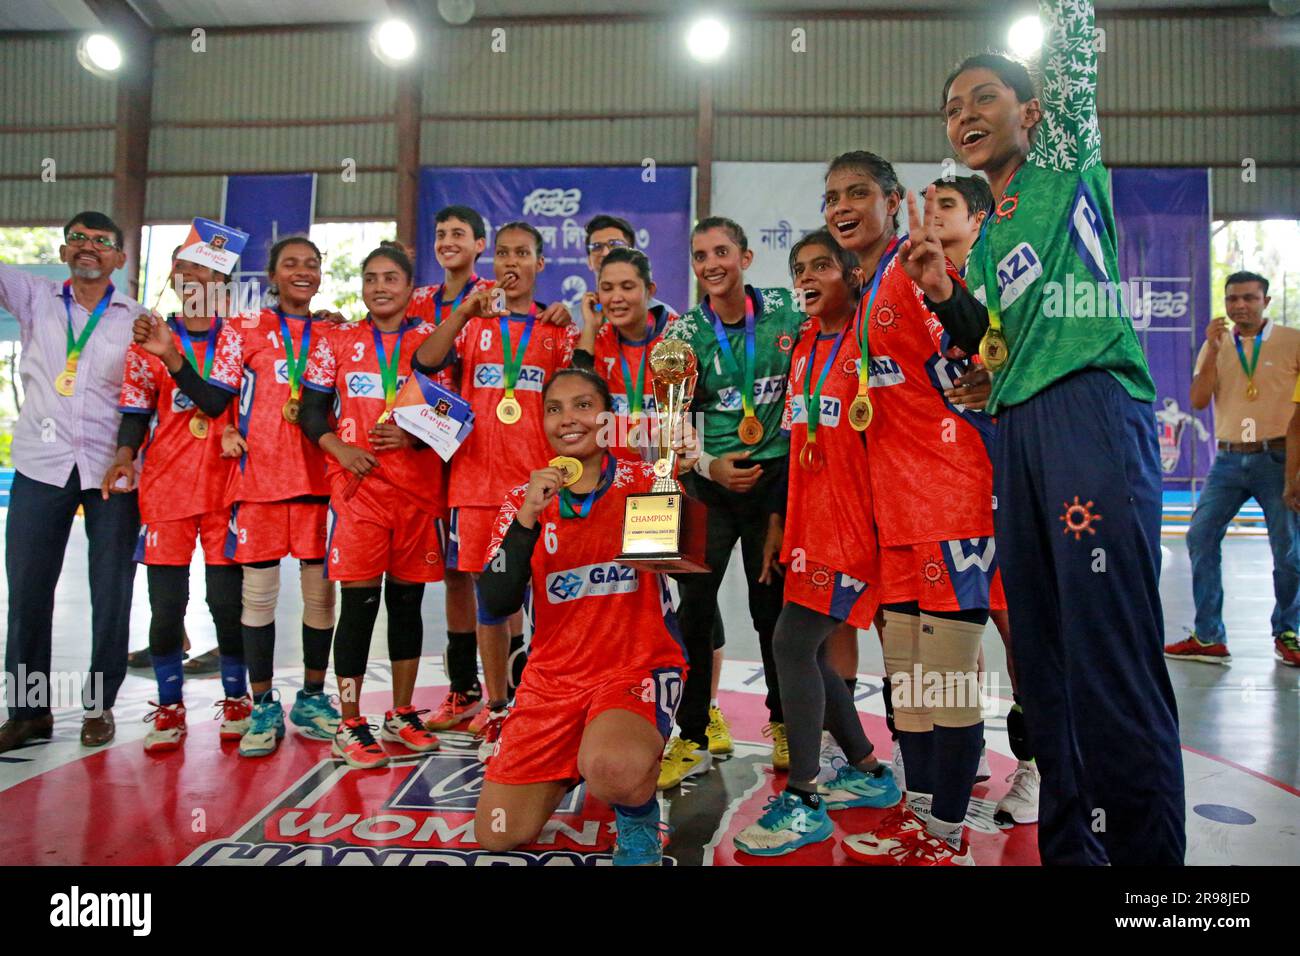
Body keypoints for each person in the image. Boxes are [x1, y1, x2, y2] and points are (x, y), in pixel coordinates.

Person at [912, 0, 1185, 864]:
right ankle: (1076, 851)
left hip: (1090, 411)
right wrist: (945, 297)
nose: (965, 115)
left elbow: (1072, 49)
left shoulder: (1065, 162)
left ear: (1031, 112)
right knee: (1044, 659)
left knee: (1108, 654)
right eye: (952, 109)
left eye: (983, 97)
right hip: (1019, 432)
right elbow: (994, 341)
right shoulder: (987, 234)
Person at [820, 153, 1004, 866]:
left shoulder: (917, 267)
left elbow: (984, 339)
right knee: (909, 684)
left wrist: (988, 359)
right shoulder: (864, 290)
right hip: (895, 515)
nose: (842, 205)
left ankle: (948, 835)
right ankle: (924, 815)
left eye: (858, 192)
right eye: (832, 195)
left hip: (952, 502)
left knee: (949, 683)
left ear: (893, 201)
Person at [473, 368, 692, 865]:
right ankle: (579, 752)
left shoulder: (643, 479)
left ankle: (635, 816)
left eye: (583, 405)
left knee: (613, 768)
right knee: (498, 833)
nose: (568, 418)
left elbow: (694, 570)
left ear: (607, 418)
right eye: (555, 408)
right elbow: (495, 601)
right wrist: (527, 518)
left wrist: (684, 476)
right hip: (551, 682)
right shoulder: (521, 502)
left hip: (632, 669)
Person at [732, 231, 899, 857]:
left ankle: (803, 795)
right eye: (799, 268)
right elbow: (795, 450)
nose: (807, 278)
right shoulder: (803, 346)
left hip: (856, 528)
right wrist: (780, 521)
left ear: (852, 274)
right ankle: (864, 768)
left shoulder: (872, 340)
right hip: (808, 523)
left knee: (790, 643)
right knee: (813, 651)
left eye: (821, 266)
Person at [413, 222, 577, 759]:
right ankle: (499, 706)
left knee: (546, 600)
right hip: (476, 484)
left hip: (539, 486)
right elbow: (425, 362)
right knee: (489, 599)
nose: (512, 262)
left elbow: (577, 403)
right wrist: (461, 312)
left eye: (523, 254)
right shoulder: (471, 322)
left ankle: (544, 699)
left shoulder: (556, 330)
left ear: (539, 264)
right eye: (504, 253)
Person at [180, 236, 342, 757]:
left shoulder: (337, 334)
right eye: (290, 264)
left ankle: (314, 698)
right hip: (260, 484)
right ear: (271, 276)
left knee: (320, 597)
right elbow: (213, 398)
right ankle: (264, 703)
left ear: (320, 276)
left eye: (311, 264)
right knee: (258, 600)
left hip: (320, 483)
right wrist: (172, 359)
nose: (302, 271)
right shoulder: (243, 329)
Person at [658, 217, 805, 788]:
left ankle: (785, 722)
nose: (712, 263)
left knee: (771, 611)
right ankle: (690, 735)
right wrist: (708, 465)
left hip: (773, 487)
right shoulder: (681, 336)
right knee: (695, 613)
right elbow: (671, 420)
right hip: (708, 488)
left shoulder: (787, 314)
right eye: (700, 256)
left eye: (722, 252)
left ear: (745, 256)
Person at [0, 212, 143, 753]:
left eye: (102, 241)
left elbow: (145, 395)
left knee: (112, 591)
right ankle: (27, 712)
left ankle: (99, 706)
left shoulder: (138, 319)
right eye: (78, 239)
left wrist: (129, 451)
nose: (89, 248)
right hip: (42, 464)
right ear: (63, 252)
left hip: (113, 471)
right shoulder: (35, 298)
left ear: (119, 260)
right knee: (29, 592)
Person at [298, 243, 445, 769]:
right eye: (370, 278)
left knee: (406, 605)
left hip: (417, 492)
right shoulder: (335, 341)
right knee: (359, 606)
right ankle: (350, 721)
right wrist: (339, 447)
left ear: (410, 288)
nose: (380, 287)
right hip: (358, 493)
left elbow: (450, 419)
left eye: (391, 278)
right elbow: (312, 411)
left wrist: (413, 439)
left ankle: (402, 712)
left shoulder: (432, 342)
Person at [931, 173, 1041, 824]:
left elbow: (1031, 358)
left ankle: (1034, 766)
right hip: (941, 494)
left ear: (979, 219)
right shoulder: (912, 294)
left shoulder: (1001, 281)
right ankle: (966, 747)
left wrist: (995, 377)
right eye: (929, 206)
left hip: (1004, 484)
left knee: (1018, 635)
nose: (934, 216)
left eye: (947, 205)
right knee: (957, 635)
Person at [104, 251, 246, 752]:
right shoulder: (146, 341)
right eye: (181, 270)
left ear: (221, 282)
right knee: (166, 609)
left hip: (225, 488)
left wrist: (171, 355)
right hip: (165, 491)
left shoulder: (234, 336)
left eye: (202, 271)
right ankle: (169, 706)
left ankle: (236, 698)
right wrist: (124, 456)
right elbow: (136, 412)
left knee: (227, 604)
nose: (189, 279)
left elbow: (212, 400)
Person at [1175, 272, 1300, 667]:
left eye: (1248, 298)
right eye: (1232, 299)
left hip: (1277, 457)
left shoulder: (1292, 341)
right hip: (1228, 460)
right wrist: (1211, 350)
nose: (1239, 306)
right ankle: (1209, 635)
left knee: (1289, 552)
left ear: (1266, 300)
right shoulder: (1216, 345)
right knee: (1200, 536)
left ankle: (1288, 630)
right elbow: (1197, 400)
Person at [408, 206, 491, 730]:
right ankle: (464, 687)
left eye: (458, 234)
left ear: (479, 244)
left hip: (482, 451)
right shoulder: (417, 300)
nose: (448, 241)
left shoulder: (494, 295)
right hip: (428, 448)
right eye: (440, 234)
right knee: (454, 573)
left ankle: (517, 684)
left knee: (498, 574)